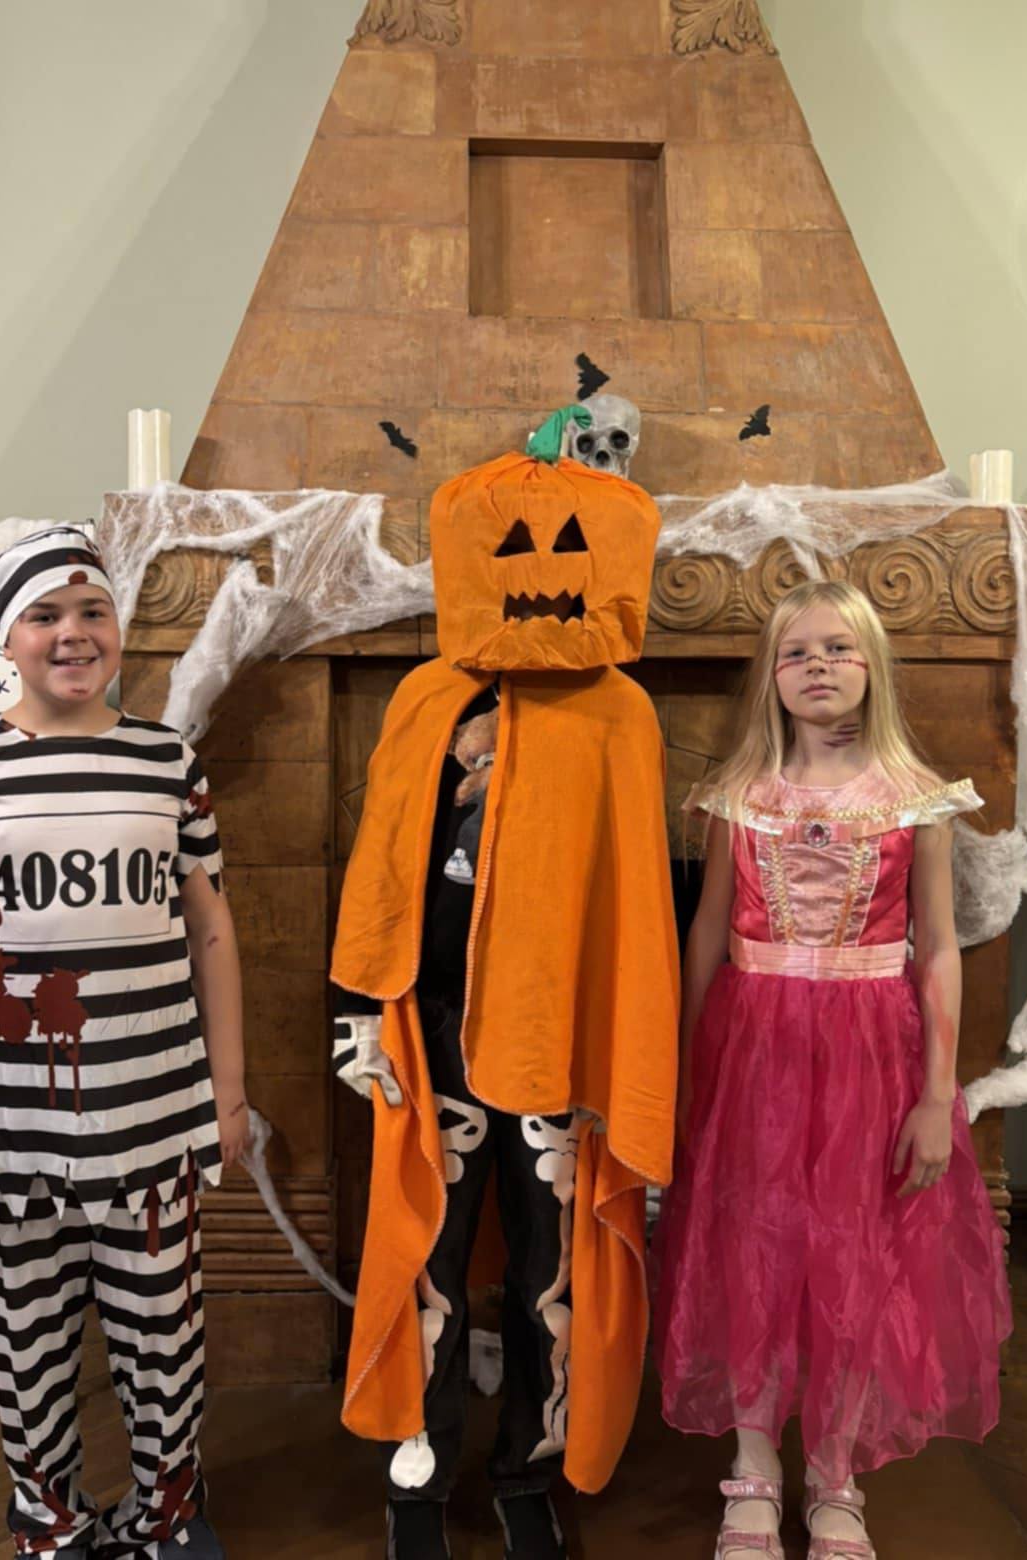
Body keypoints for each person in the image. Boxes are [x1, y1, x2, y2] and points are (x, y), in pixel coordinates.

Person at [331, 435, 680, 1560]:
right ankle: (418, 1472)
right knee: (426, 1254)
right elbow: (383, 862)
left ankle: (530, 1464)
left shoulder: (619, 714)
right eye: (521, 544)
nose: (543, 564)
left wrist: (629, 1051)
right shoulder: (426, 701)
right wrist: (356, 1008)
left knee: (548, 1265)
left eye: (569, 543)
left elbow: (630, 899)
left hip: (559, 1038)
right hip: (432, 1028)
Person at [0, 526, 248, 1558]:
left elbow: (213, 929)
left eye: (92, 610)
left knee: (165, 1345)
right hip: (13, 1130)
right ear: (8, 636)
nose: (72, 633)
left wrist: (228, 1093)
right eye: (44, 615)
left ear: (117, 627)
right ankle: (48, 1521)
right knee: (30, 1345)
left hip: (155, 1123)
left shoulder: (168, 760)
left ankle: (166, 1517)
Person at [652, 579, 1011, 1560]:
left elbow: (938, 947)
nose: (819, 666)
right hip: (754, 1049)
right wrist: (684, 1069)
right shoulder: (739, 796)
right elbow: (708, 931)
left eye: (839, 648)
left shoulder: (915, 798)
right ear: (771, 677)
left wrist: (937, 1094)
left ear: (873, 667)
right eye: (798, 652)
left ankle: (835, 1471)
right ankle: (754, 1465)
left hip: (871, 1053)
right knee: (755, 1242)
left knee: (858, 1248)